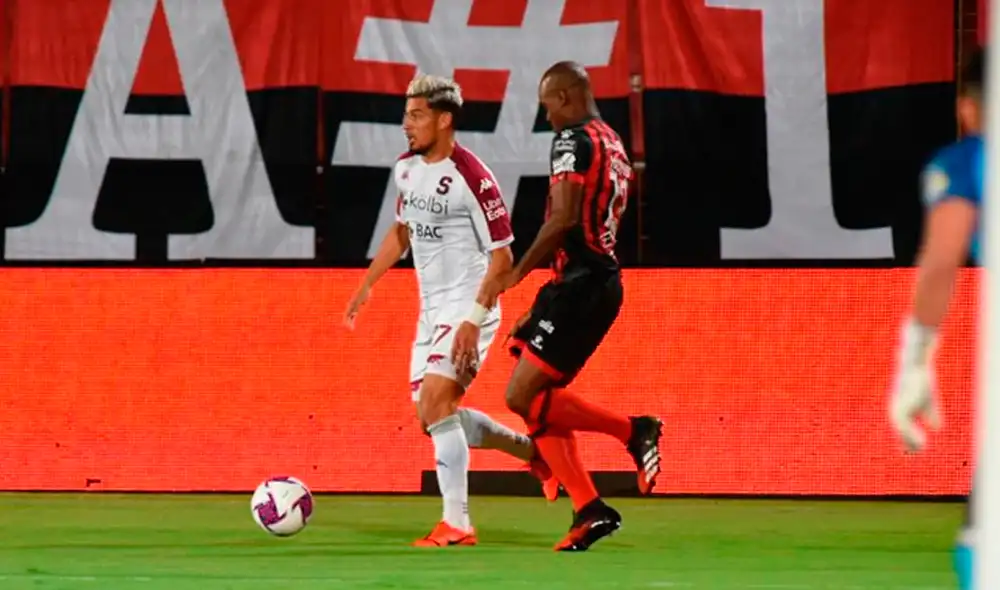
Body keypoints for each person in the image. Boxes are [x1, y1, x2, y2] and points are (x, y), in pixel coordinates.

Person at [456, 61, 664, 552]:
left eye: (547, 105)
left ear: (566, 97)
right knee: (532, 395)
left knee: (521, 396)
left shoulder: (572, 140)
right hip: (585, 281)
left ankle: (634, 430)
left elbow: (563, 220)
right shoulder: (611, 141)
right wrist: (543, 297)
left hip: (584, 284)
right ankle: (589, 509)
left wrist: (515, 275)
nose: (546, 117)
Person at [344, 74, 556, 548]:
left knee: (438, 404)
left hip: (469, 308)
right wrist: (366, 284)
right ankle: (534, 453)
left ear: (444, 120)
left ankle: (457, 524)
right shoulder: (407, 169)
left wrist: (472, 320)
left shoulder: (474, 179)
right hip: (430, 311)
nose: (406, 125)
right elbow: (402, 232)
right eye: (406, 115)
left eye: (416, 115)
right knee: (431, 417)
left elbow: (503, 259)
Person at [889, 47, 985, 590]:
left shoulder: (969, 161)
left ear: (968, 108)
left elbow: (941, 262)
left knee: (982, 541)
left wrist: (915, 365)